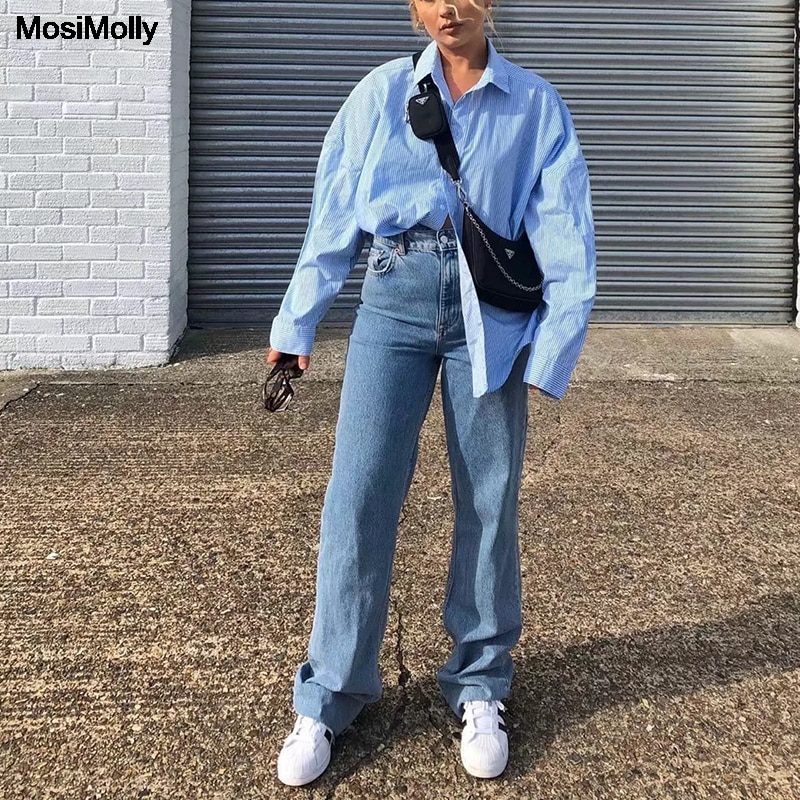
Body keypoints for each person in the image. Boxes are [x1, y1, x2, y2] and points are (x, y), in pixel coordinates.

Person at [267, 0, 597, 786]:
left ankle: (480, 684)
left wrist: (552, 348)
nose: (449, 7)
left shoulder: (534, 105)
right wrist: (297, 320)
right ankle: (330, 693)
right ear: (413, 7)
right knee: (358, 494)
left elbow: (565, 229)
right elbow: (333, 211)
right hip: (392, 295)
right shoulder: (381, 93)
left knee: (489, 496)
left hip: (491, 314)